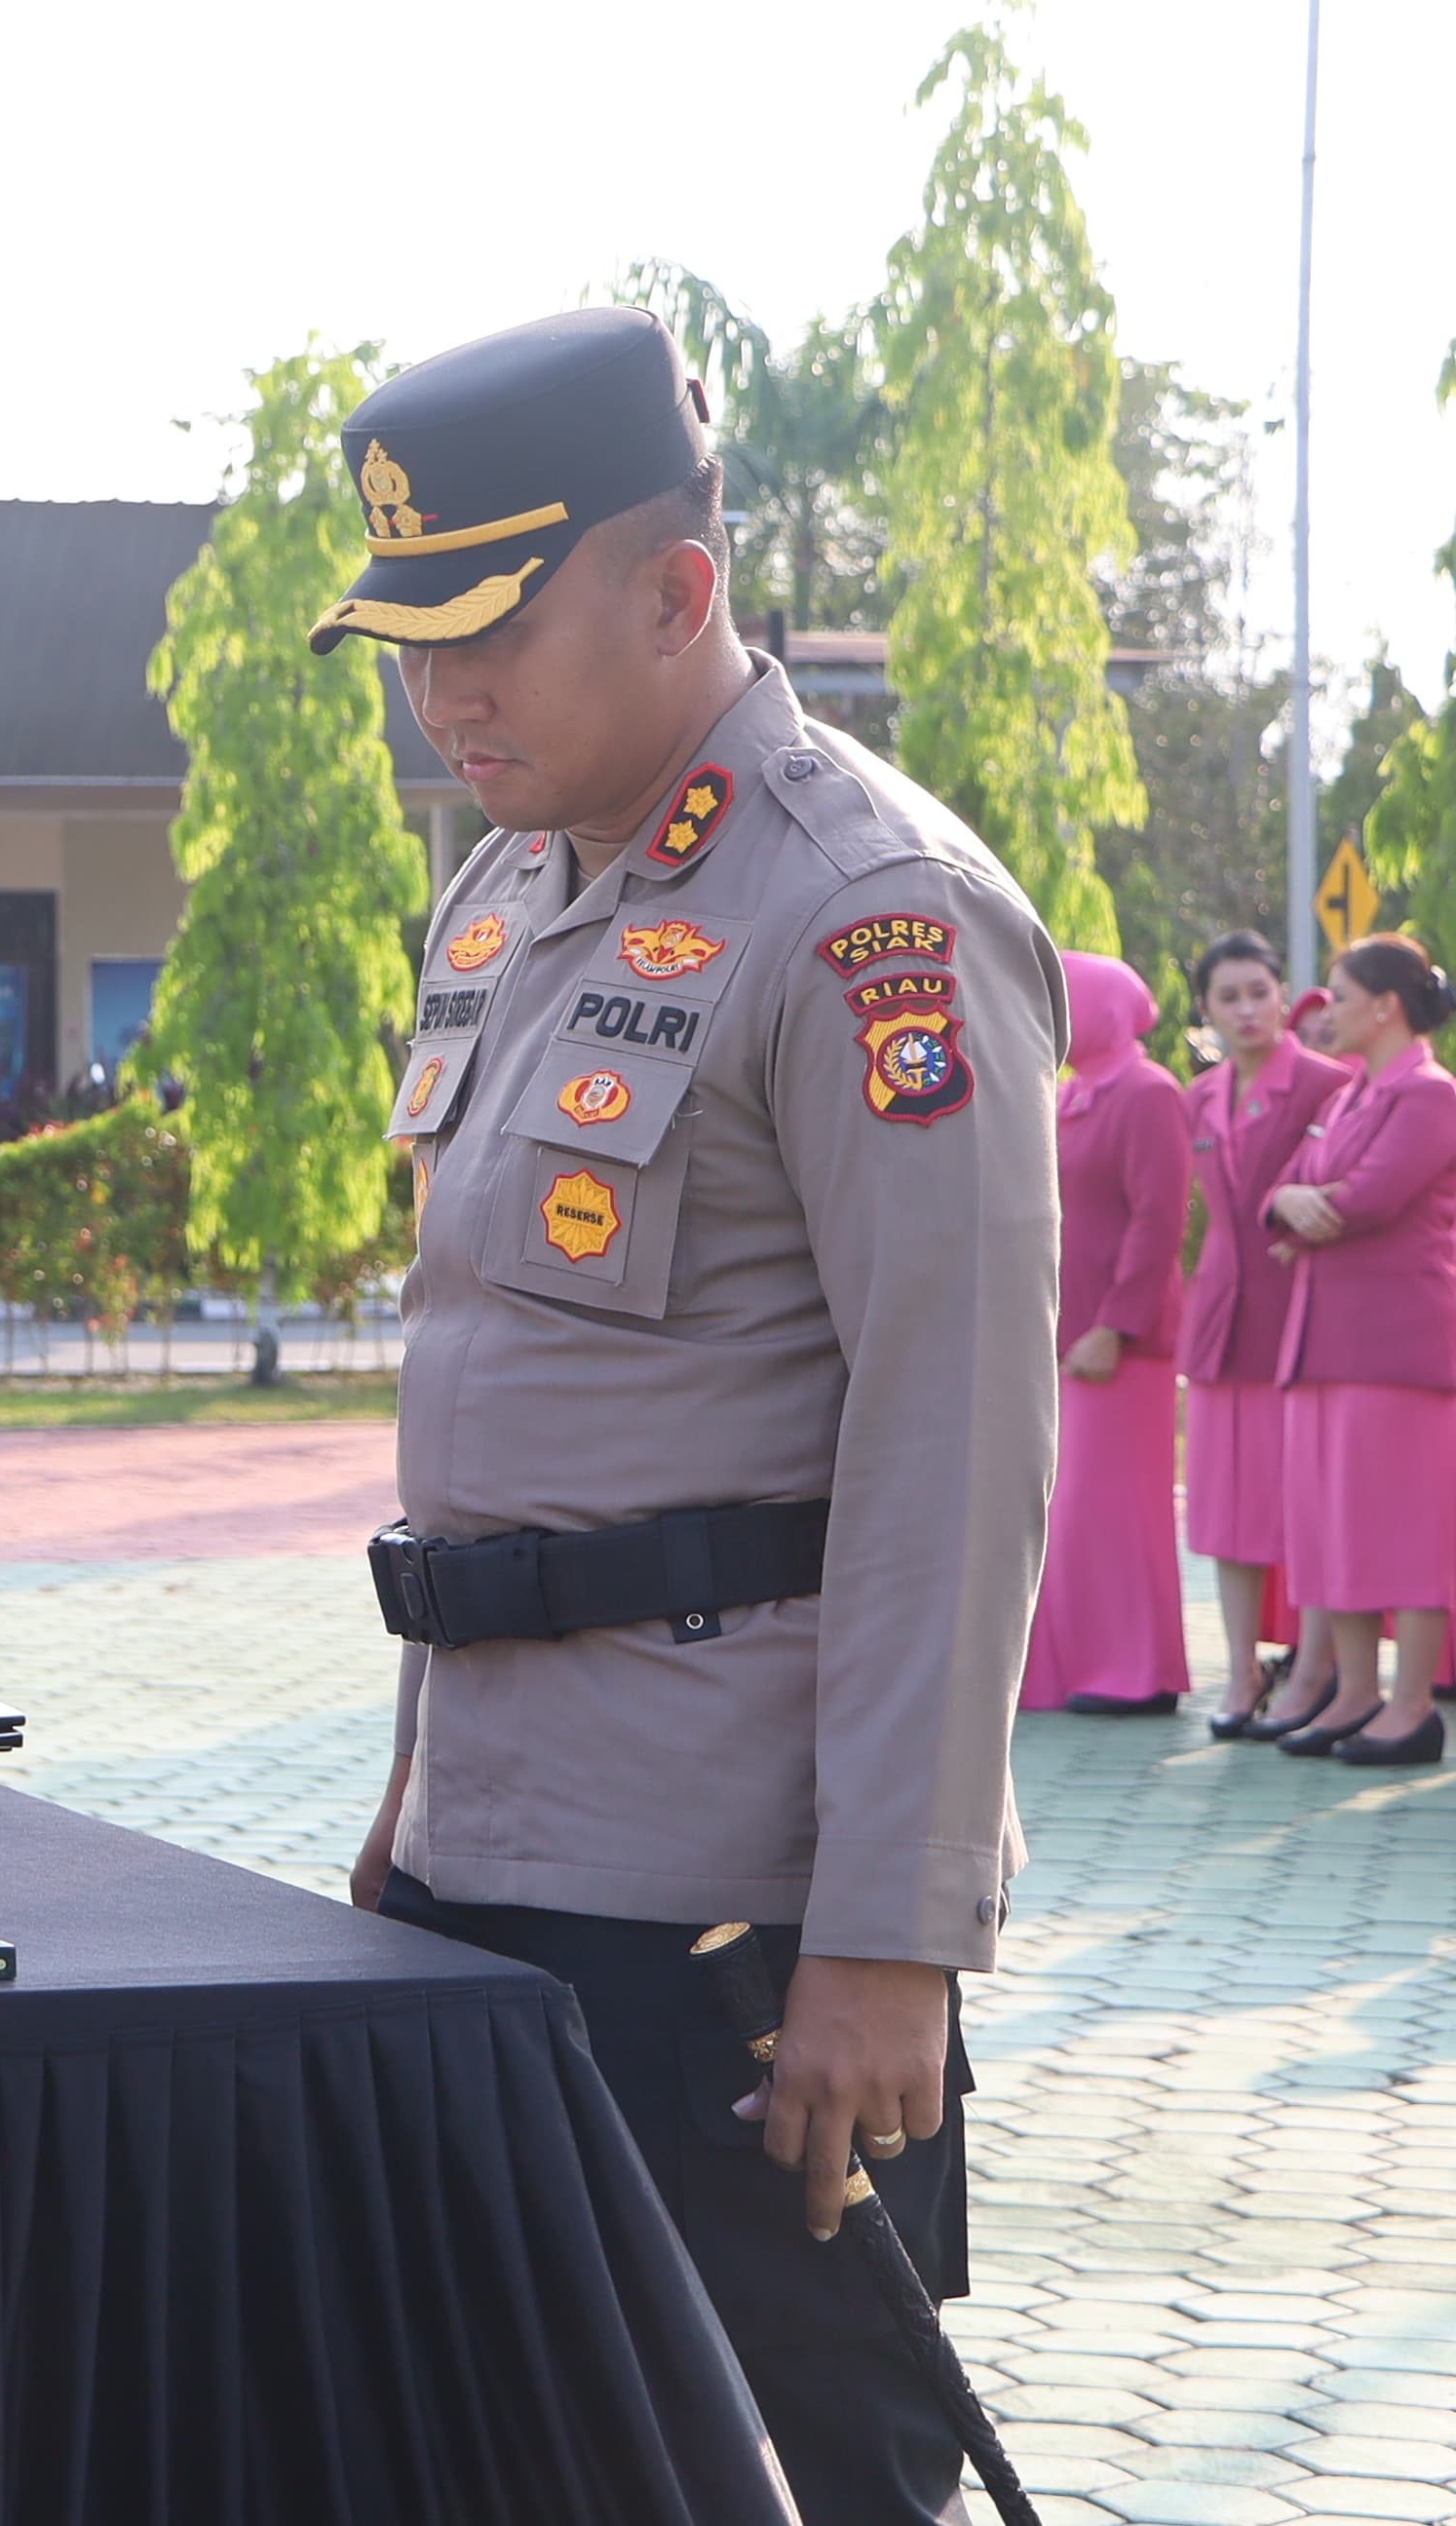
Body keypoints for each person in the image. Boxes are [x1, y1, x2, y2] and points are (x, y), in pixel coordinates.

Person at [326, 307, 1062, 2524]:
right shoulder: (511, 892)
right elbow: (513, 1399)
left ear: (673, 590)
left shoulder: (862, 916)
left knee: (826, 2477)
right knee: (508, 2451)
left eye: (491, 636)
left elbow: (958, 1456)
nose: (443, 696)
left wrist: (885, 1935)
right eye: (408, 642)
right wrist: (411, 1805)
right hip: (491, 1847)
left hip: (732, 1918)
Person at [1259, 931, 1456, 1767]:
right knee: (1335, 1525)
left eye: (1339, 995)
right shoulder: (1347, 1097)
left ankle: (1412, 1707)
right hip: (1326, 1342)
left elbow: (1368, 1200)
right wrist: (1296, 1202)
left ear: (1386, 1006)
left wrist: (1306, 1204)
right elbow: (1281, 1194)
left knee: (1402, 1529)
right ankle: (1355, 1693)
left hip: (1396, 1348)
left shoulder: (1430, 1095)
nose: (1326, 1010)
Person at [1176, 932, 1352, 1737]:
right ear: (1205, 1011)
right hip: (1220, 1315)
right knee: (1222, 1507)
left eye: (1259, 991)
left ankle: (1316, 1669)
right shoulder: (1198, 1097)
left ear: (1284, 996)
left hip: (1305, 1313)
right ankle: (1240, 1671)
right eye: (1228, 997)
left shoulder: (1328, 1085)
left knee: (1309, 1500)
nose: (1247, 1009)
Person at [1020, 951, 1192, 1716]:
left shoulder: (1148, 1093)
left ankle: (1136, 1669)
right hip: (1064, 1332)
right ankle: (1075, 1665)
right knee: (1067, 1510)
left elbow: (1161, 1220)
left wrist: (1116, 1326)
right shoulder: (1071, 1092)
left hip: (1118, 1344)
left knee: (1114, 1509)